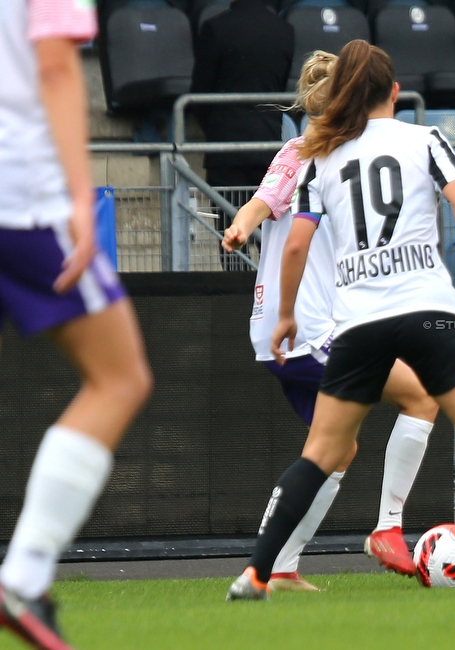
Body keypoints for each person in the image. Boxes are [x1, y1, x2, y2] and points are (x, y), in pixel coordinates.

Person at [226, 39, 455, 600]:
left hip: (359, 322)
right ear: (393, 92)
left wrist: (286, 312)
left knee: (322, 453)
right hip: (427, 312)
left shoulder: (319, 158)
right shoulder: (425, 139)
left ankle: (257, 574)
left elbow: (295, 247)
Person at [222, 51, 437, 586]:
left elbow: (261, 206)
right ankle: (388, 527)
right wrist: (243, 225)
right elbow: (263, 207)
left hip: (284, 327)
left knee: (336, 448)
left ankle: (280, 567)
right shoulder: (312, 156)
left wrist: (243, 227)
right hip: (306, 327)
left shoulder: (309, 152)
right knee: (421, 395)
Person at [0, 1, 154, 647]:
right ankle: (25, 576)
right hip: (20, 199)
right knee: (119, 378)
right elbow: (58, 67)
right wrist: (77, 197)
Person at [190, 0, 294, 270]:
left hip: (225, 150)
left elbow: (199, 93)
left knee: (232, 240)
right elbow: (280, 86)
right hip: (269, 148)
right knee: (271, 242)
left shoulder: (215, 28)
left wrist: (215, 127)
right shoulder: (284, 29)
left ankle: (235, 308)